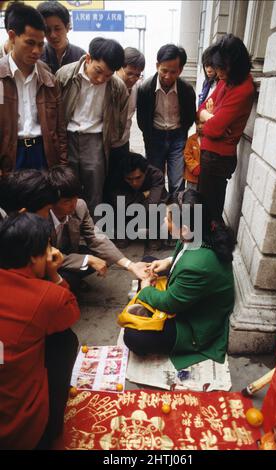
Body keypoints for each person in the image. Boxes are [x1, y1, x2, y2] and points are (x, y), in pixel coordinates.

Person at [123, 189, 235, 371]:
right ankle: (148, 304)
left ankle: (147, 303)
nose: (165, 221)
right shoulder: (199, 231)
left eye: (168, 218)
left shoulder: (196, 265)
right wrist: (167, 262)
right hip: (190, 297)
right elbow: (183, 254)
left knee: (133, 337)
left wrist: (145, 289)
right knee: (149, 264)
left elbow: (170, 303)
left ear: (184, 229)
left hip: (194, 325)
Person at [0, 213, 80, 449]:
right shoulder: (47, 297)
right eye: (47, 246)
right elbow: (70, 313)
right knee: (65, 339)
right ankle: (52, 428)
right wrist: (54, 274)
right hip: (19, 429)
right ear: (34, 257)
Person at [56, 37, 129, 216]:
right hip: (68, 138)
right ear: (88, 58)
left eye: (108, 75)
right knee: (66, 190)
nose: (101, 78)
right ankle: (68, 235)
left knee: (94, 192)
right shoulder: (65, 75)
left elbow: (121, 119)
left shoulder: (117, 87)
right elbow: (54, 110)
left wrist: (109, 139)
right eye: (98, 71)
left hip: (96, 141)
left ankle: (93, 235)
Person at [48, 165, 150, 291]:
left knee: (105, 255)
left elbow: (95, 237)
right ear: (51, 202)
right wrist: (87, 260)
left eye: (75, 198)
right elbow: (47, 256)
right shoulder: (40, 218)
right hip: (46, 262)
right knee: (71, 279)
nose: (73, 204)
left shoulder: (80, 206)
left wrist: (130, 265)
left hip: (68, 253)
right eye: (67, 201)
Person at [0, 2, 67, 172]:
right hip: (10, 155)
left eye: (40, 44)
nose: (37, 51)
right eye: (30, 43)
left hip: (43, 153)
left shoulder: (48, 80)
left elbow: (60, 130)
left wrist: (62, 167)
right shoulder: (1, 78)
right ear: (12, 36)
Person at [197, 34, 255, 222]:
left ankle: (212, 248)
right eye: (217, 67)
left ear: (236, 64)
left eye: (222, 68)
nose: (218, 72)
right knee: (205, 208)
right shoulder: (226, 80)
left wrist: (209, 121)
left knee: (209, 212)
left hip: (218, 158)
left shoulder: (243, 87)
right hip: (210, 153)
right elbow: (200, 110)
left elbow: (213, 129)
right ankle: (206, 244)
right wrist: (209, 117)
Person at [137, 44, 196, 194]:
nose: (168, 76)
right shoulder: (145, 89)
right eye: (164, 71)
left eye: (173, 72)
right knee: (155, 180)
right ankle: (158, 214)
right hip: (154, 137)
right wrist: (149, 138)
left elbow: (189, 117)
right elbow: (142, 120)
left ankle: (175, 215)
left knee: (177, 181)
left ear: (180, 70)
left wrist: (182, 133)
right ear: (157, 66)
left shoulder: (187, 90)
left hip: (177, 138)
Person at [105, 47, 145, 195]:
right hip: (106, 146)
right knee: (106, 183)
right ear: (119, 68)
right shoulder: (107, 86)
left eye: (137, 75)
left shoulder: (136, 89)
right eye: (129, 73)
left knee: (121, 183)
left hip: (123, 143)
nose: (133, 79)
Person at [110, 152, 168, 247]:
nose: (134, 183)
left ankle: (154, 235)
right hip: (126, 211)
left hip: (149, 210)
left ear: (145, 172)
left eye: (138, 178)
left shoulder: (156, 175)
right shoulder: (116, 177)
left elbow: (152, 203)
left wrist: (134, 200)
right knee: (116, 206)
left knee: (159, 205)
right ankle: (123, 233)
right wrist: (144, 195)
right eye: (129, 179)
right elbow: (122, 204)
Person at [37, 1, 85, 74]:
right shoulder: (37, 55)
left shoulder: (80, 56)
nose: (53, 35)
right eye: (47, 30)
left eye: (57, 29)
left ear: (67, 27)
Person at [183, 121, 201, 190]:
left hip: (206, 178)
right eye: (197, 124)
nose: (199, 126)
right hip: (192, 177)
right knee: (190, 196)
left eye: (203, 123)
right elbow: (187, 154)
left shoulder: (210, 140)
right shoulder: (191, 139)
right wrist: (194, 167)